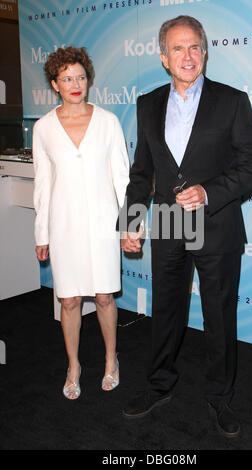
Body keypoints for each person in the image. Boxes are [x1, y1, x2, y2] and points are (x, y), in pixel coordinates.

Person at [119, 16, 252, 437]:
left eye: (194, 47)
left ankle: (220, 398)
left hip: (216, 222)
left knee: (219, 315)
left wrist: (209, 191)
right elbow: (141, 172)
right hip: (167, 222)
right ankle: (158, 385)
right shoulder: (147, 104)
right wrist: (131, 221)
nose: (188, 56)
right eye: (178, 49)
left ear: (204, 52)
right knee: (166, 309)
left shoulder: (232, 101)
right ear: (163, 57)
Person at [33, 46, 129, 399]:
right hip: (63, 226)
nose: (76, 84)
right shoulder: (43, 128)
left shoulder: (108, 122)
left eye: (81, 77)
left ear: (88, 79)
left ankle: (110, 359)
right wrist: (41, 232)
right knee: (70, 300)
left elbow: (123, 179)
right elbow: (43, 185)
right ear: (55, 84)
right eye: (67, 79)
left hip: (104, 224)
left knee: (104, 296)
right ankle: (73, 365)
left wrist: (130, 226)